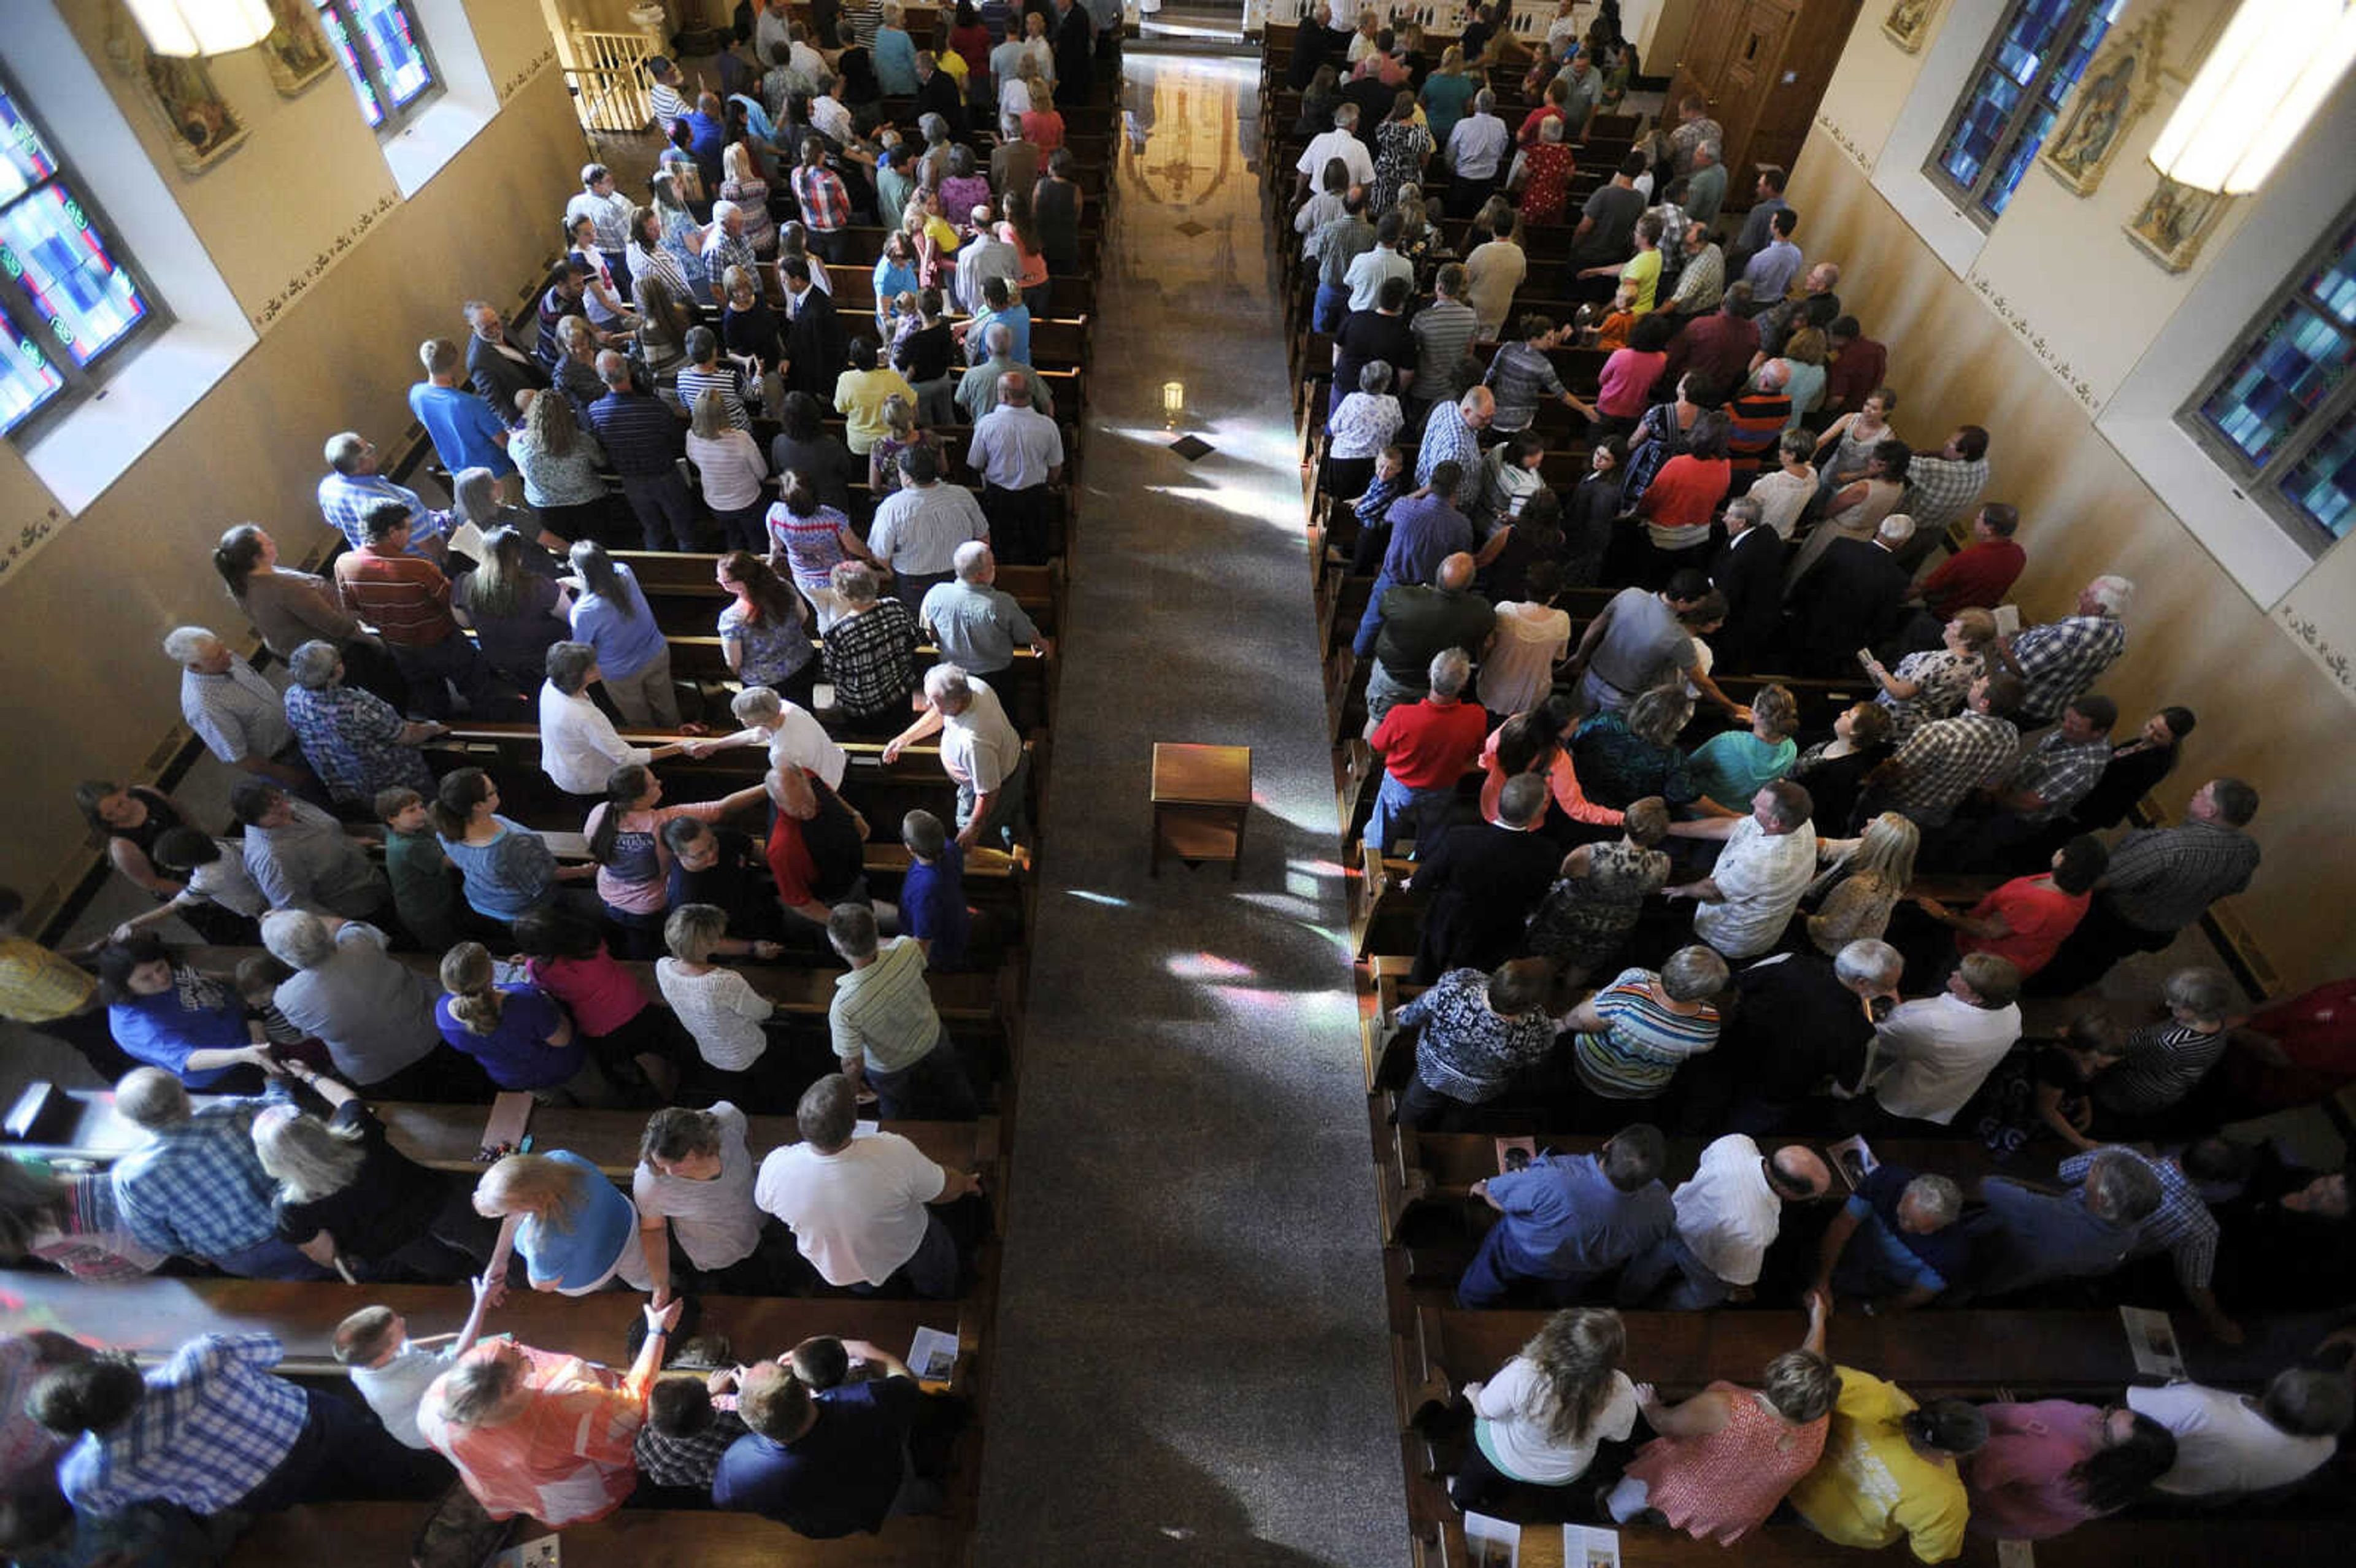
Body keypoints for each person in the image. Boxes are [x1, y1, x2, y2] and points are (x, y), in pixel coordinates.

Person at [35, 1330, 425, 1519]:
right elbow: (271, 1348)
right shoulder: (202, 1358)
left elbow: (109, 1507)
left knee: (336, 1502)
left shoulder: (85, 1477)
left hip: (263, 1491)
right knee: (391, 1459)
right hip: (316, 1426)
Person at [417, 1297, 683, 1526]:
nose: (520, 1349)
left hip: (515, 1485)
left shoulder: (435, 1403)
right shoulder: (564, 1408)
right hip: (568, 1481)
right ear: (510, 1388)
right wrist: (657, 1332)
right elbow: (632, 1407)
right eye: (520, 1357)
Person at [1606, 1292, 1837, 1540]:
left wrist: (1650, 1405)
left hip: (1688, 1488)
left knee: (1630, 1496)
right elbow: (1811, 1369)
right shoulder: (1818, 1422)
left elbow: (1664, 1425)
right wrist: (1817, 1321)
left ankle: (1610, 1514)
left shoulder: (1729, 1409)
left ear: (1775, 1374)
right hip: (1735, 1512)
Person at [256, 1065, 500, 1280]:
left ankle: (483, 1287)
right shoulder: (355, 1132)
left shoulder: (289, 1208)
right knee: (491, 1247)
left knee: (451, 1268)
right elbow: (347, 1098)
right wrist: (308, 1075)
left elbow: (326, 1254)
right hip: (435, 1199)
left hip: (395, 1242)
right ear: (313, 1126)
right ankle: (515, 1276)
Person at [755, 1074, 980, 1296]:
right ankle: (941, 1298)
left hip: (842, 1265)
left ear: (799, 1116)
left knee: (867, 1287)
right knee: (935, 1273)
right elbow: (943, 1188)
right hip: (908, 1245)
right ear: (854, 1123)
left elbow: (764, 1204)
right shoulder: (892, 1151)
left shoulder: (776, 1166)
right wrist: (966, 1183)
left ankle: (882, 1298)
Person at [2038, 777, 2260, 994]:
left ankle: (2048, 986)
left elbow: (2104, 879)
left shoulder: (2167, 848)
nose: (2196, 793)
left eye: (2203, 793)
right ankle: (2077, 982)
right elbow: (2233, 888)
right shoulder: (2248, 851)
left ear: (2210, 811)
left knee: (2079, 952)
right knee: (2104, 958)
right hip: (2162, 928)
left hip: (2119, 919)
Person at [105, 1068, 328, 1280]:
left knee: (293, 1280)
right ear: (183, 1096)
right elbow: (282, 1112)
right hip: (299, 1222)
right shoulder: (231, 1112)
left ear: (133, 1121)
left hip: (236, 1256)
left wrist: (188, 1253)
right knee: (332, 1261)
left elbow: (153, 1238)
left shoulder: (129, 1177)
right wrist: (277, 1085)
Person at [712, 1343, 930, 1534]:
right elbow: (909, 1387)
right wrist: (861, 1349)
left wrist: (750, 1396)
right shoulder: (867, 1400)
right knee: (921, 1499)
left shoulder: (737, 1464)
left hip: (825, 1527)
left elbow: (724, 1501)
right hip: (889, 1492)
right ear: (806, 1388)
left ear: (751, 1424)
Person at [333, 504, 516, 722]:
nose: (410, 536)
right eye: (408, 529)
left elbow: (353, 610)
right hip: (443, 642)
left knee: (430, 698)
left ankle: (447, 738)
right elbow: (451, 601)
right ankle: (498, 730)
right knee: (478, 686)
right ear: (392, 532)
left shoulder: (344, 564)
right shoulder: (417, 567)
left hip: (401, 648)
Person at [262, 910, 468, 1098]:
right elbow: (342, 924)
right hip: (432, 1032)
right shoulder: (359, 942)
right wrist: (292, 917)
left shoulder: (286, 998)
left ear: (284, 957)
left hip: (376, 1070)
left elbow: (308, 1032)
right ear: (321, 930)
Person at [1458, 1128, 1673, 1307]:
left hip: (1525, 1250)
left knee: (1492, 1269)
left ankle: (1470, 1303)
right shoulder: (1663, 1207)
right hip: (1585, 1268)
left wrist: (1483, 1188)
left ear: (1608, 1144)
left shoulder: (1555, 1178)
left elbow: (1500, 1198)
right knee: (1559, 1293)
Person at [1618, 1134, 1833, 1309]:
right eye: (1814, 1198)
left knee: (1646, 1264)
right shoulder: (1757, 1228)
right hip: (1702, 1258)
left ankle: (1626, 1299)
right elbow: (1735, 1275)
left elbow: (1705, 1160)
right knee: (1705, 1294)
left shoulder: (1738, 1143)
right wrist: (1741, 1290)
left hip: (1672, 1218)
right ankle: (1665, 1312)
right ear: (1787, 1190)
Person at [1785, 1374, 1984, 1562]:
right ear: (1950, 1453)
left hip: (1787, 1473)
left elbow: (1807, 1378)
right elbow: (1932, 1552)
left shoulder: (1876, 1393)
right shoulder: (1946, 1501)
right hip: (1831, 1524)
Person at [827, 902, 978, 1119]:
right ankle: (970, 1117)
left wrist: (853, 1087)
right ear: (876, 929)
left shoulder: (843, 1006)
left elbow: (852, 1062)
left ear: (838, 949)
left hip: (889, 1067)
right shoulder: (906, 948)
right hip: (931, 1037)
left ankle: (899, 1136)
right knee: (953, 1081)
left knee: (895, 1108)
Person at [634, 1104, 798, 1304]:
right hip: (720, 1254)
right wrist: (661, 1285)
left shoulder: (727, 1120)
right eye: (662, 1165)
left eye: (677, 1163)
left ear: (700, 1145)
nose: (670, 1172)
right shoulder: (651, 1184)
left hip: (757, 1218)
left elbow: (745, 1141)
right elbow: (653, 1230)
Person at [1409, 776, 1558, 982]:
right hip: (1498, 933)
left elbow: (1424, 879)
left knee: (1426, 968)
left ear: (1498, 800)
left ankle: (1417, 989)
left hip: (1448, 924)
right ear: (1539, 812)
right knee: (1476, 980)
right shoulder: (1546, 854)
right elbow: (1537, 898)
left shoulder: (1460, 838)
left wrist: (1413, 884)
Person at [433, 942, 618, 1107]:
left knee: (557, 1107)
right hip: (563, 1067)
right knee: (597, 1097)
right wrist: (549, 1003)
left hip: (516, 1077)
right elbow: (562, 1039)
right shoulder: (524, 1000)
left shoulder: (443, 1015)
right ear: (490, 974)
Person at [1965, 1401, 2180, 1540]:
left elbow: (1975, 1467)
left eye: (2105, 1430)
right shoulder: (2120, 1487)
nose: (2096, 1417)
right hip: (1999, 1510)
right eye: (2110, 1411)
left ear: (2116, 1460)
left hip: (1970, 1495)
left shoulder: (2060, 1461)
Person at [2127, 1369, 2350, 1499]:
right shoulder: (2326, 1447)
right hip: (2193, 1493)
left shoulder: (2201, 1405)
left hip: (2139, 1472)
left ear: (2275, 1383)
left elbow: (2127, 1404)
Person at [1972, 1147, 2163, 1298]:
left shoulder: (2048, 1215)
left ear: (2101, 1199)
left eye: (2095, 1171)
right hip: (2032, 1274)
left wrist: (2035, 1190)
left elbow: (1989, 1185)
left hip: (1991, 1254)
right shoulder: (2130, 1233)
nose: (2092, 1169)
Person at [1662, 781, 1819, 961]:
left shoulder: (1764, 862)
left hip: (1729, 935)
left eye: (1758, 806)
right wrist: (1670, 829)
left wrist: (1683, 890)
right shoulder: (1801, 821)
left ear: (1775, 822)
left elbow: (1713, 892)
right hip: (1768, 926)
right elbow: (1733, 827)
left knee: (1700, 959)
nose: (1752, 802)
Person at [333, 1283, 498, 1454]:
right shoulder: (411, 1379)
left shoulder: (360, 1365)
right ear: (385, 1353)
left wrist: (445, 1341)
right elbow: (459, 1355)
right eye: (400, 1328)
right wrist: (481, 1302)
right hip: (425, 1431)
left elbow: (407, 1347)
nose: (403, 1322)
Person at [280, 640, 444, 811]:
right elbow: (405, 735)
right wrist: (434, 728)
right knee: (423, 808)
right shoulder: (358, 706)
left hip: (350, 782)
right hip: (393, 778)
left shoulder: (293, 696)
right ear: (336, 671)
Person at [883, 664, 1031, 852]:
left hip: (999, 784)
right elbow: (940, 714)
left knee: (981, 840)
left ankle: (999, 868)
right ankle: (1016, 832)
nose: (928, 704)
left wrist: (973, 827)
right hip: (1010, 760)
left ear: (957, 702)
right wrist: (907, 738)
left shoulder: (975, 742)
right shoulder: (973, 686)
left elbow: (989, 791)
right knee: (1013, 814)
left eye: (934, 701)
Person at [1867, 953, 2025, 1126]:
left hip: (1908, 1095)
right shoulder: (2012, 1011)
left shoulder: (1934, 1022)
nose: (1954, 973)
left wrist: (1873, 1000)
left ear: (1976, 998)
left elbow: (1878, 1039)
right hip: (1954, 1093)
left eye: (1963, 978)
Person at [95, 935, 271, 1090]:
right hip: (225, 1067)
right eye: (147, 978)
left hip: (239, 1028)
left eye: (160, 967)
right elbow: (189, 1059)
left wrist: (235, 980)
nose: (161, 977)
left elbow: (192, 976)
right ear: (124, 987)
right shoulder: (139, 1026)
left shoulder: (165, 973)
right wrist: (244, 1054)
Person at [1522, 797, 1674, 976]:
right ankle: (1568, 996)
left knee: (1551, 959)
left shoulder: (1592, 853)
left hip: (1571, 918)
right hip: (1616, 924)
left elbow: (1564, 874)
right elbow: (1653, 889)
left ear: (1625, 822)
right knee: (1585, 966)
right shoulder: (1663, 862)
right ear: (1660, 834)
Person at [656, 903, 789, 1104]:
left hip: (708, 1049)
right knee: (763, 1088)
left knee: (733, 1091)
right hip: (744, 1050)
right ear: (708, 944)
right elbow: (761, 1013)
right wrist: (769, 1003)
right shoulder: (724, 981)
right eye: (718, 936)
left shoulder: (663, 967)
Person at [1564, 947, 1730, 1103]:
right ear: (1704, 995)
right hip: (1644, 1086)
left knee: (1595, 1001)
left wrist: (1564, 1022)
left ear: (1668, 966)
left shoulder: (1635, 980)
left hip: (1593, 1068)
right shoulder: (1709, 1023)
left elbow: (1580, 1020)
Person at [1365, 648, 1488, 855]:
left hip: (1401, 785)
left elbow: (1377, 745)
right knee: (1433, 833)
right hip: (1442, 785)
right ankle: (1421, 865)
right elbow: (1476, 753)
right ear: (1464, 685)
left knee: (1383, 830)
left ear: (1430, 674)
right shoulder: (1476, 717)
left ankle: (1376, 861)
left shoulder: (1401, 715)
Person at [1811, 1164, 1971, 1313]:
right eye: (1903, 1216)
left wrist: (1869, 1309)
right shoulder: (1885, 1182)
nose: (1905, 1227)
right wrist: (1822, 1280)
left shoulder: (1953, 1254)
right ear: (1904, 1194)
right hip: (1853, 1251)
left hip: (1886, 1286)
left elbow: (1912, 1297)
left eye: (1918, 1229)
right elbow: (1842, 1226)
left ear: (1942, 1227)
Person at [160, 626, 306, 789]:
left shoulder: (223, 657)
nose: (228, 654)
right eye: (218, 655)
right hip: (284, 759)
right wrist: (288, 776)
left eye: (221, 645)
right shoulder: (203, 706)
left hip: (298, 731)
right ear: (195, 666)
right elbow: (239, 757)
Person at [230, 777, 390, 919]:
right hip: (353, 906)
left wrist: (348, 842)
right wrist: (343, 927)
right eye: (275, 814)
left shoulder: (284, 804)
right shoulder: (273, 859)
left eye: (279, 799)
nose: (286, 809)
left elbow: (323, 832)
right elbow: (293, 906)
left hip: (369, 878)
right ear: (255, 822)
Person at [868, 445, 991, 615]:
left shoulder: (892, 507)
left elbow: (880, 555)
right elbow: (983, 538)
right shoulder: (963, 496)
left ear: (907, 477)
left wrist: (892, 570)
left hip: (913, 583)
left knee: (918, 625)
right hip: (959, 577)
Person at [2003, 575, 2133, 727]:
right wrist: (2037, 632)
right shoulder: (2118, 633)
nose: (2081, 594)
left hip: (2021, 702)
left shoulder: (2074, 633)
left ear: (2100, 608)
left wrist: (2001, 643)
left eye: (2087, 595)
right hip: (2050, 707)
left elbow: (2020, 670)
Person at [967, 371, 1064, 566]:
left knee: (999, 551)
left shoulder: (986, 424)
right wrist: (1047, 483)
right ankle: (1037, 586)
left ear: (1004, 396)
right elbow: (1056, 468)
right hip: (1035, 498)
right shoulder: (1048, 426)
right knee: (1036, 551)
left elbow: (976, 463)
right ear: (1029, 395)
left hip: (998, 497)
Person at [318, 431, 448, 559]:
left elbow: (335, 522)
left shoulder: (327, 490)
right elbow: (431, 547)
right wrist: (447, 560)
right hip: (418, 565)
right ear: (361, 465)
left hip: (374, 563)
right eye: (369, 450)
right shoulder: (401, 500)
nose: (372, 449)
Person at [1805, 810, 1920, 951]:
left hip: (1830, 948)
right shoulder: (1863, 848)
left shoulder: (1866, 887)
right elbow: (1828, 847)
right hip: (1820, 918)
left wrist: (1804, 919)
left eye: (1876, 824)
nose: (1869, 820)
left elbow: (1834, 929)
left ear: (1879, 840)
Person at [409, 338, 514, 480]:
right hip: (496, 473)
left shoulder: (416, 395)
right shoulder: (471, 404)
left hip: (460, 476)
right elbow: (505, 443)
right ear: (454, 364)